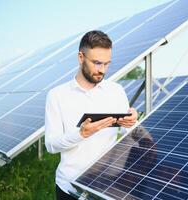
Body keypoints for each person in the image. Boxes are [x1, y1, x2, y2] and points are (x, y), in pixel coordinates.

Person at [45, 30, 138, 200]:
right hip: (69, 187)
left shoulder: (116, 91)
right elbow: (51, 145)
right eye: (96, 63)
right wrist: (81, 134)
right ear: (81, 57)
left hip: (107, 186)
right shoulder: (57, 95)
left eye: (107, 64)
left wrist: (132, 123)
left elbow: (128, 137)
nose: (102, 70)